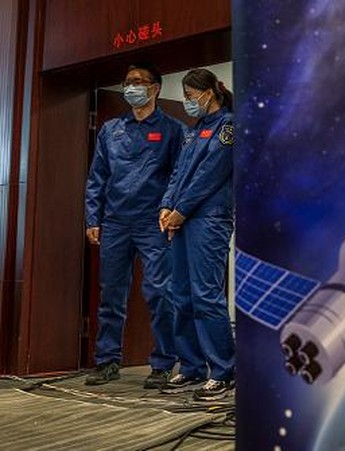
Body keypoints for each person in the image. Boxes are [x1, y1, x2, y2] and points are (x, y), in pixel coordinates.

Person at [84, 62, 184, 388]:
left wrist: (172, 210)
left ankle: (163, 363)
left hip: (153, 222)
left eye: (139, 82)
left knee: (159, 293)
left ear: (155, 88)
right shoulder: (111, 129)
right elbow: (97, 177)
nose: (132, 87)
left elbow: (179, 176)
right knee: (111, 293)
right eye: (128, 82)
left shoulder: (172, 130)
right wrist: (92, 218)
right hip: (114, 222)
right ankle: (108, 361)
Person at [159, 68, 236, 401]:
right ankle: (190, 366)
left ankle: (223, 370)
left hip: (209, 219)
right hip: (180, 220)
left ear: (210, 93)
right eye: (187, 97)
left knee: (206, 294)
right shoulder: (194, 132)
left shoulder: (229, 127)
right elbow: (178, 174)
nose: (189, 102)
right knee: (181, 295)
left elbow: (210, 175)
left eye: (191, 96)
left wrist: (181, 210)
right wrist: (166, 206)